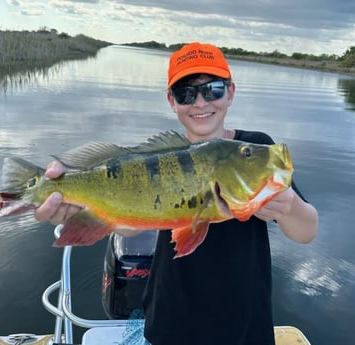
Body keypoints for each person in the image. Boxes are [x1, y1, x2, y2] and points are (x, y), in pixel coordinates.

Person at [35, 42, 318, 345]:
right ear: (172, 101)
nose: (200, 102)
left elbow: (307, 230)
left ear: (231, 92)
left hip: (245, 324)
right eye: (186, 93)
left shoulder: (256, 147)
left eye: (213, 89)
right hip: (171, 319)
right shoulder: (160, 158)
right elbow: (130, 225)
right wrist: (85, 215)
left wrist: (288, 207)